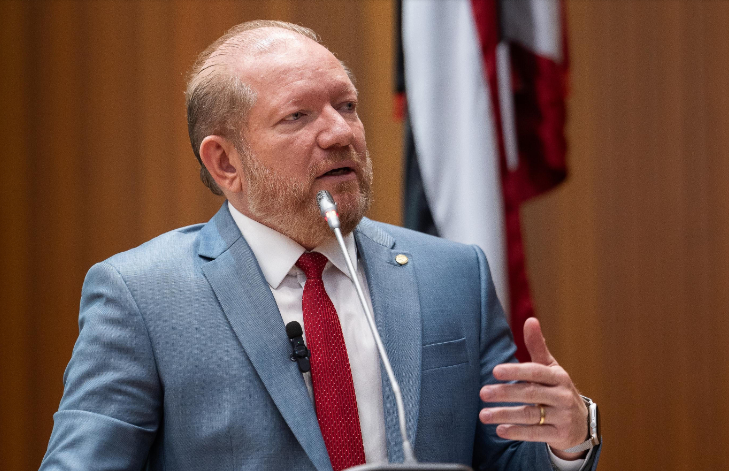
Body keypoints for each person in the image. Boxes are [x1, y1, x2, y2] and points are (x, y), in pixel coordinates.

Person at [40, 20, 600, 471]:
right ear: (226, 162)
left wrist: (567, 442)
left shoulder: (452, 273)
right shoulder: (144, 296)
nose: (340, 133)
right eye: (298, 116)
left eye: (347, 106)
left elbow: (504, 458)